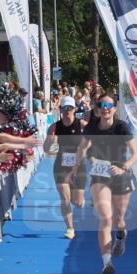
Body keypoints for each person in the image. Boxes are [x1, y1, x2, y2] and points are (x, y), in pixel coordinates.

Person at [72, 94, 137, 274]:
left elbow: (136, 154)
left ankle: (121, 234)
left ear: (115, 108)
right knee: (105, 218)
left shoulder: (121, 127)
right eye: (102, 105)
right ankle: (107, 264)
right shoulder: (92, 127)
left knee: (118, 219)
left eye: (109, 105)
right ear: (97, 108)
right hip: (100, 175)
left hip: (120, 173)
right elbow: (82, 149)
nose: (105, 108)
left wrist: (124, 167)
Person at [43, 96, 87, 239]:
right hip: (61, 165)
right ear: (60, 110)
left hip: (78, 166)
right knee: (65, 199)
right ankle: (70, 228)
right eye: (64, 108)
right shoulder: (55, 126)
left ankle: (80, 199)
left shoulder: (82, 125)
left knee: (78, 202)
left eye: (70, 108)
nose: (67, 111)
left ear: (75, 109)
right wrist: (49, 141)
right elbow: (45, 148)